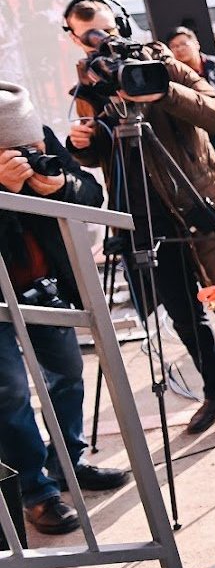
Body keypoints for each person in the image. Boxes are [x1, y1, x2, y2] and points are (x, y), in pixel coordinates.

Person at [64, 0, 215, 435]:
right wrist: (85, 144)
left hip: (199, 207)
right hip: (145, 217)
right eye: (88, 39)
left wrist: (165, 91)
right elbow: (104, 154)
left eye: (106, 31)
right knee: (181, 312)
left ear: (122, 24)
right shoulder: (90, 84)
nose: (101, 44)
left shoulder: (161, 61)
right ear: (77, 42)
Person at [0, 82, 130, 536]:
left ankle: (68, 464)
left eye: (31, 146)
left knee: (68, 373)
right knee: (11, 392)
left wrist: (58, 186)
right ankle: (35, 492)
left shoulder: (34, 133)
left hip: (42, 285)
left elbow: (89, 193)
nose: (29, 153)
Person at [164, 26, 215, 187]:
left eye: (183, 44)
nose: (179, 49)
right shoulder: (176, 78)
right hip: (206, 147)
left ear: (196, 44)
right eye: (174, 46)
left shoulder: (214, 64)